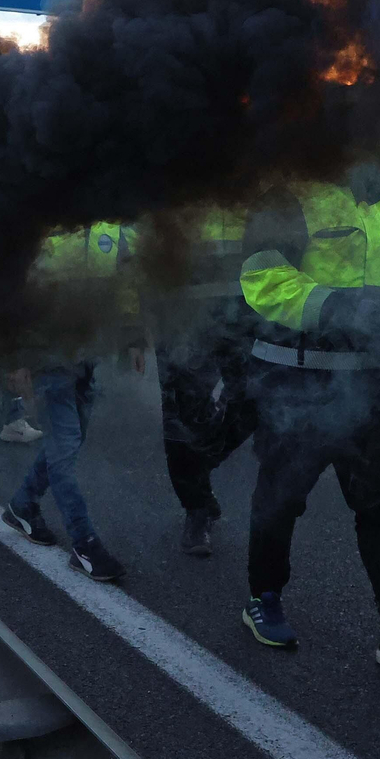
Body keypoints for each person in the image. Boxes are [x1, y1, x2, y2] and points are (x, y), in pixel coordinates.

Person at [236, 169, 380, 672]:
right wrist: (347, 306)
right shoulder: (287, 195)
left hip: (372, 389)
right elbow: (262, 280)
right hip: (297, 384)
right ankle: (264, 597)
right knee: (280, 500)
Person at [2, 222, 145, 582]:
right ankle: (84, 543)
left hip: (86, 358)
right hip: (47, 360)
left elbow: (126, 286)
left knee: (67, 441)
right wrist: (17, 359)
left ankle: (23, 505)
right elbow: (17, 296)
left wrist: (133, 339)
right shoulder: (43, 225)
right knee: (64, 447)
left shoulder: (111, 231)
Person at [149, 207, 258, 557]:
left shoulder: (257, 183)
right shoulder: (177, 185)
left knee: (253, 403)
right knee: (181, 421)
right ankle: (196, 510)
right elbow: (142, 258)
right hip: (182, 321)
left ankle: (199, 469)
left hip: (243, 318)